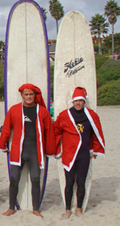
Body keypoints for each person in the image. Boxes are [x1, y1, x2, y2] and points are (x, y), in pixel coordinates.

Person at [0, 83, 55, 218]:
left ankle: (36, 209)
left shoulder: (42, 111)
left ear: (35, 96)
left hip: (36, 152)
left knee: (36, 179)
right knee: (14, 179)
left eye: (31, 94)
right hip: (18, 151)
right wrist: (3, 145)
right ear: (22, 95)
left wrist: (50, 150)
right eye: (26, 94)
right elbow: (6, 128)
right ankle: (11, 207)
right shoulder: (14, 110)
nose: (29, 97)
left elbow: (49, 132)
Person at [54, 87, 105, 219]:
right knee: (69, 182)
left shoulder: (91, 116)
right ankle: (67, 210)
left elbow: (96, 133)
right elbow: (56, 132)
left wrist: (94, 149)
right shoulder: (65, 115)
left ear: (84, 102)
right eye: (76, 100)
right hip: (69, 155)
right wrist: (57, 150)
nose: (78, 103)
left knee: (81, 182)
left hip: (84, 155)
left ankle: (79, 208)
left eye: (80, 101)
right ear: (73, 101)